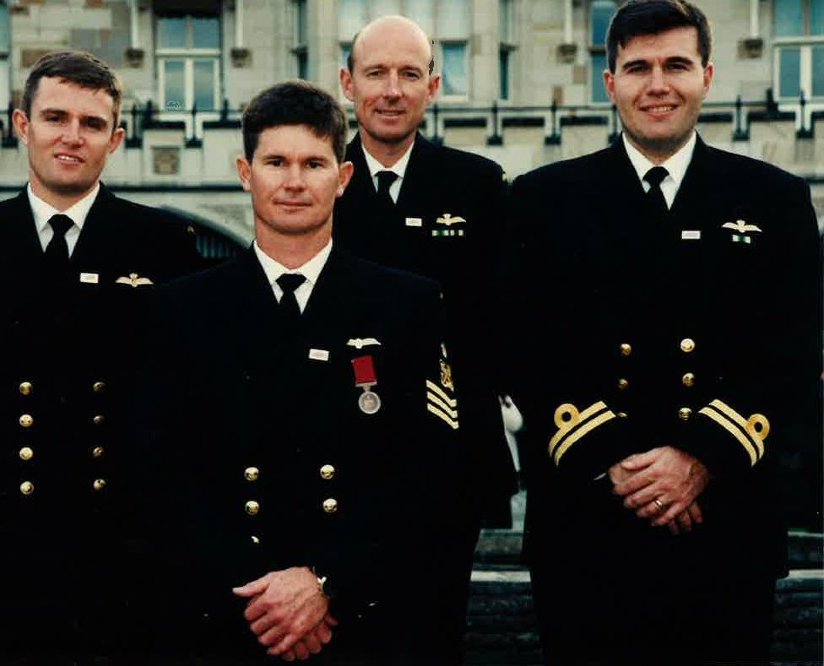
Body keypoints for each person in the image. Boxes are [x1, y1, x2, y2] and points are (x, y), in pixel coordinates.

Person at [503, 1, 823, 664]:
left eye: (675, 65)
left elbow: (792, 353)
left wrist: (698, 459)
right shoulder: (542, 201)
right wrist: (618, 462)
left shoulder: (773, 200)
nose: (657, 84)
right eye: (637, 67)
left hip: (725, 524)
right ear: (608, 81)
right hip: (588, 527)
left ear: (707, 76)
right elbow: (523, 348)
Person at [134, 79, 462, 665]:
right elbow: (161, 472)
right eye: (275, 162)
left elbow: (429, 467)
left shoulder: (405, 304)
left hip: (360, 618)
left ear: (343, 178)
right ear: (244, 171)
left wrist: (324, 583)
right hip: (228, 615)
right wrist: (266, 593)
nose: (292, 181)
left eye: (313, 163)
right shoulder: (179, 309)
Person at [0, 50, 201, 661]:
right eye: (55, 117)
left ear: (116, 138)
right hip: (3, 543)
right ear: (21, 124)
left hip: (122, 548)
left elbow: (179, 393)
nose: (72, 137)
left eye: (92, 124)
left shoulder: (161, 244)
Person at [334, 15, 519, 660]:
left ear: (433, 87)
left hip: (447, 455)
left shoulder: (478, 186)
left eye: (409, 74)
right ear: (346, 83)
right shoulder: (316, 181)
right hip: (334, 452)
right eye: (376, 74)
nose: (392, 90)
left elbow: (500, 323)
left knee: (431, 634)